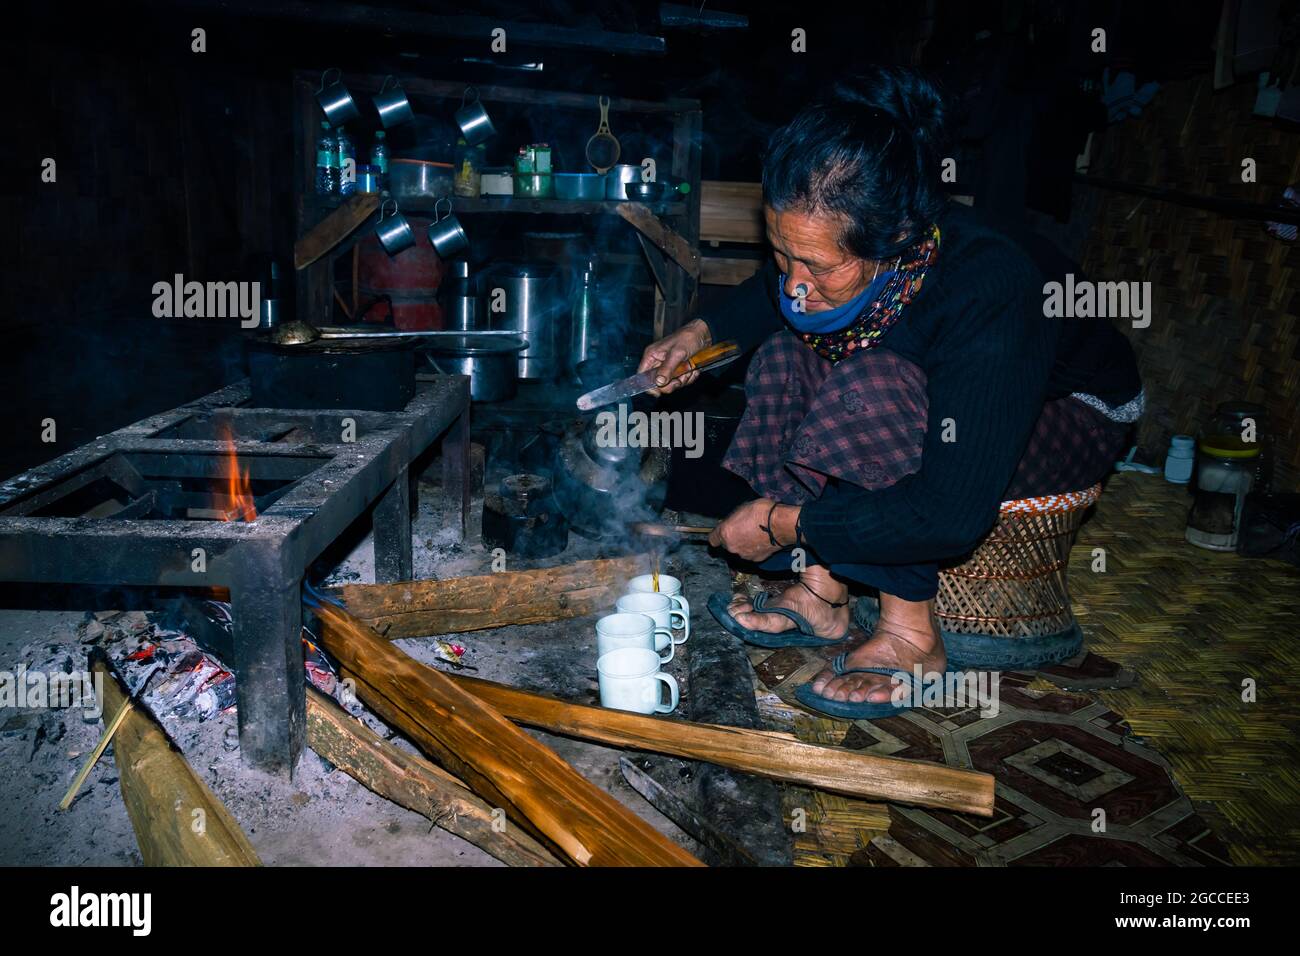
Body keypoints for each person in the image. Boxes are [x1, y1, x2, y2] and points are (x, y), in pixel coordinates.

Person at [637, 65, 1142, 718]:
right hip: (956, 379)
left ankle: (911, 635)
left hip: (1072, 414)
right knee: (792, 352)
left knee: (872, 384)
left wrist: (782, 521)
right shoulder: (847, 255)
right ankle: (821, 595)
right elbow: (772, 295)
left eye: (817, 266)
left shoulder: (989, 288)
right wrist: (698, 336)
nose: (793, 282)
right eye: (781, 254)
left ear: (895, 239)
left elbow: (951, 513)